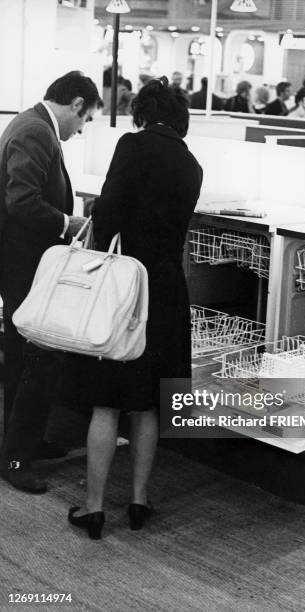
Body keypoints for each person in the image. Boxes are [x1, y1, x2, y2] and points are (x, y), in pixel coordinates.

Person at [65, 77, 203, 540]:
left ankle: (94, 508)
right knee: (147, 405)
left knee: (107, 402)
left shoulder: (132, 146)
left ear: (142, 114)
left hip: (124, 285)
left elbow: (108, 214)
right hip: (164, 290)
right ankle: (140, 501)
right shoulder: (191, 165)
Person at [0, 71, 102, 494]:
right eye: (86, 120)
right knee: (36, 358)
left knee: (24, 357)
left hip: (20, 260)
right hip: (24, 262)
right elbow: (21, 200)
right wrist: (69, 222)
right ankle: (16, 458)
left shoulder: (30, 124)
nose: (80, 131)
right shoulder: (37, 131)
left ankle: (22, 444)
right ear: (77, 104)